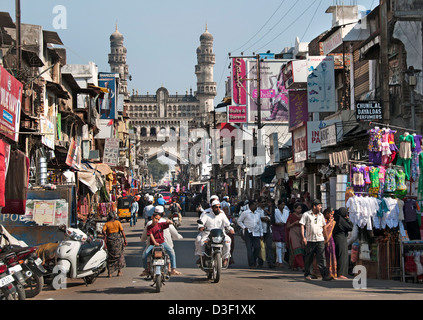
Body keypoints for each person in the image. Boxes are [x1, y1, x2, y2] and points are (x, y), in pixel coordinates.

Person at [300, 199, 333, 281]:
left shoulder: (321, 216)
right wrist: (303, 237)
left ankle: (324, 275)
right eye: (319, 206)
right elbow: (302, 226)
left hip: (320, 239)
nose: (320, 207)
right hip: (310, 240)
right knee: (309, 258)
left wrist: (326, 238)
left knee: (321, 258)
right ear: (314, 206)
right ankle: (308, 273)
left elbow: (324, 227)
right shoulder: (306, 215)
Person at [140, 212, 181, 276]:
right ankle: (146, 270)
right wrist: (155, 243)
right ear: (152, 218)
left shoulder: (161, 224)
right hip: (152, 244)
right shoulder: (149, 226)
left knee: (171, 252)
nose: (156, 220)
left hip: (162, 243)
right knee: (144, 255)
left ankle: (173, 269)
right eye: (155, 218)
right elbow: (151, 235)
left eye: (158, 219)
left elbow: (168, 224)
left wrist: (170, 221)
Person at [196, 200, 234, 267]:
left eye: (219, 207)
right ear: (212, 208)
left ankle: (225, 258)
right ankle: (202, 257)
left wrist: (231, 229)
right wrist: (201, 227)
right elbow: (201, 223)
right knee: (202, 242)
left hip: (220, 235)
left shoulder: (222, 215)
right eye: (216, 207)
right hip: (208, 234)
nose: (218, 208)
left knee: (228, 241)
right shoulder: (207, 215)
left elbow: (227, 224)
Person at [237, 200, 263, 269]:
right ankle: (251, 263)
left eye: (256, 205)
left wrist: (261, 233)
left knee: (257, 247)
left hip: (256, 232)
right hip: (248, 232)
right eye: (254, 205)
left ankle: (254, 260)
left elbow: (259, 224)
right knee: (249, 249)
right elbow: (239, 221)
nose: (256, 206)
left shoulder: (257, 214)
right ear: (250, 206)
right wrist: (244, 227)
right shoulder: (245, 213)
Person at [102, 212, 127, 277]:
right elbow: (122, 232)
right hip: (118, 240)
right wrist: (125, 240)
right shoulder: (118, 223)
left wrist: (105, 235)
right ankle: (119, 271)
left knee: (110, 256)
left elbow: (103, 231)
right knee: (119, 255)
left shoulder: (106, 224)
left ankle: (109, 273)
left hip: (110, 241)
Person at [333, 207, 353, 279]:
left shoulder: (337, 218)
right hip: (340, 238)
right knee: (342, 255)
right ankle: (341, 273)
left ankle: (339, 272)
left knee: (339, 254)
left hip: (338, 237)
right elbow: (350, 227)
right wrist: (347, 219)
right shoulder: (341, 220)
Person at [256, 196, 275, 268]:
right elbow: (257, 219)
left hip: (268, 230)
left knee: (269, 247)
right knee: (260, 247)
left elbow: (272, 219)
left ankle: (270, 262)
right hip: (259, 231)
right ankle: (260, 262)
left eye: (264, 202)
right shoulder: (257, 210)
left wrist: (268, 219)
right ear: (259, 203)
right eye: (262, 202)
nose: (263, 203)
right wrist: (262, 218)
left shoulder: (267, 210)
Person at [286, 203, 305, 271]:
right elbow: (288, 226)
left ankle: (294, 265)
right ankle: (302, 266)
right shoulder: (291, 216)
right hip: (293, 232)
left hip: (300, 233)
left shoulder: (303, 216)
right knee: (297, 249)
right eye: (298, 208)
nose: (299, 210)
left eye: (300, 208)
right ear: (294, 209)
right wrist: (294, 223)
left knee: (301, 249)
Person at [273, 199, 290, 267]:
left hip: (284, 228)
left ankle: (278, 260)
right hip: (277, 228)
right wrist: (276, 223)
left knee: (283, 246)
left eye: (283, 205)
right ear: (278, 205)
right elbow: (272, 220)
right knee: (279, 245)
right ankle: (280, 261)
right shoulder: (275, 211)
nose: (282, 206)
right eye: (281, 205)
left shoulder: (286, 212)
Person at [323, 207, 337, 279]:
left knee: (332, 255)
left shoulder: (332, 221)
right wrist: (330, 223)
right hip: (324, 239)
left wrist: (332, 222)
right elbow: (324, 228)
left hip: (331, 240)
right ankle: (325, 273)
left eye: (332, 215)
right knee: (326, 256)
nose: (332, 216)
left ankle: (332, 273)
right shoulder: (323, 220)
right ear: (327, 213)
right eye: (331, 214)